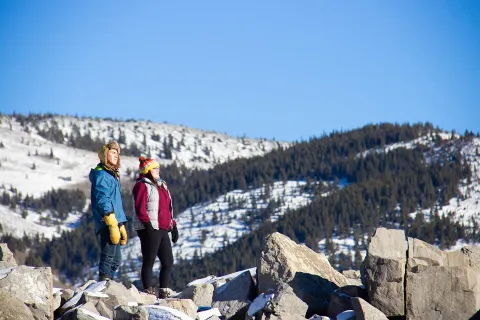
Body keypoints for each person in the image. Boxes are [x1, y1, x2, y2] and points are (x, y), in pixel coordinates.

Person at [132, 156, 179, 298]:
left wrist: (173, 225)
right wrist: (148, 225)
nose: (158, 170)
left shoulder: (162, 185)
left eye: (158, 168)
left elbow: (167, 208)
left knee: (168, 261)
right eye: (154, 168)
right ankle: (148, 291)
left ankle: (163, 291)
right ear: (147, 170)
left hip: (163, 227)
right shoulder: (142, 185)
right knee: (149, 260)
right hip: (149, 228)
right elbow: (140, 208)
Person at [89, 140, 128, 281]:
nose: (116, 155)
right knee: (108, 256)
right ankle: (103, 286)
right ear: (104, 155)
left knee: (116, 260)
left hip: (115, 221)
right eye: (112, 152)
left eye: (117, 152)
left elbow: (115, 202)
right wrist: (111, 221)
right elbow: (102, 199)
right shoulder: (102, 175)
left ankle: (108, 282)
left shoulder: (112, 175)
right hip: (107, 221)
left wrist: (121, 224)